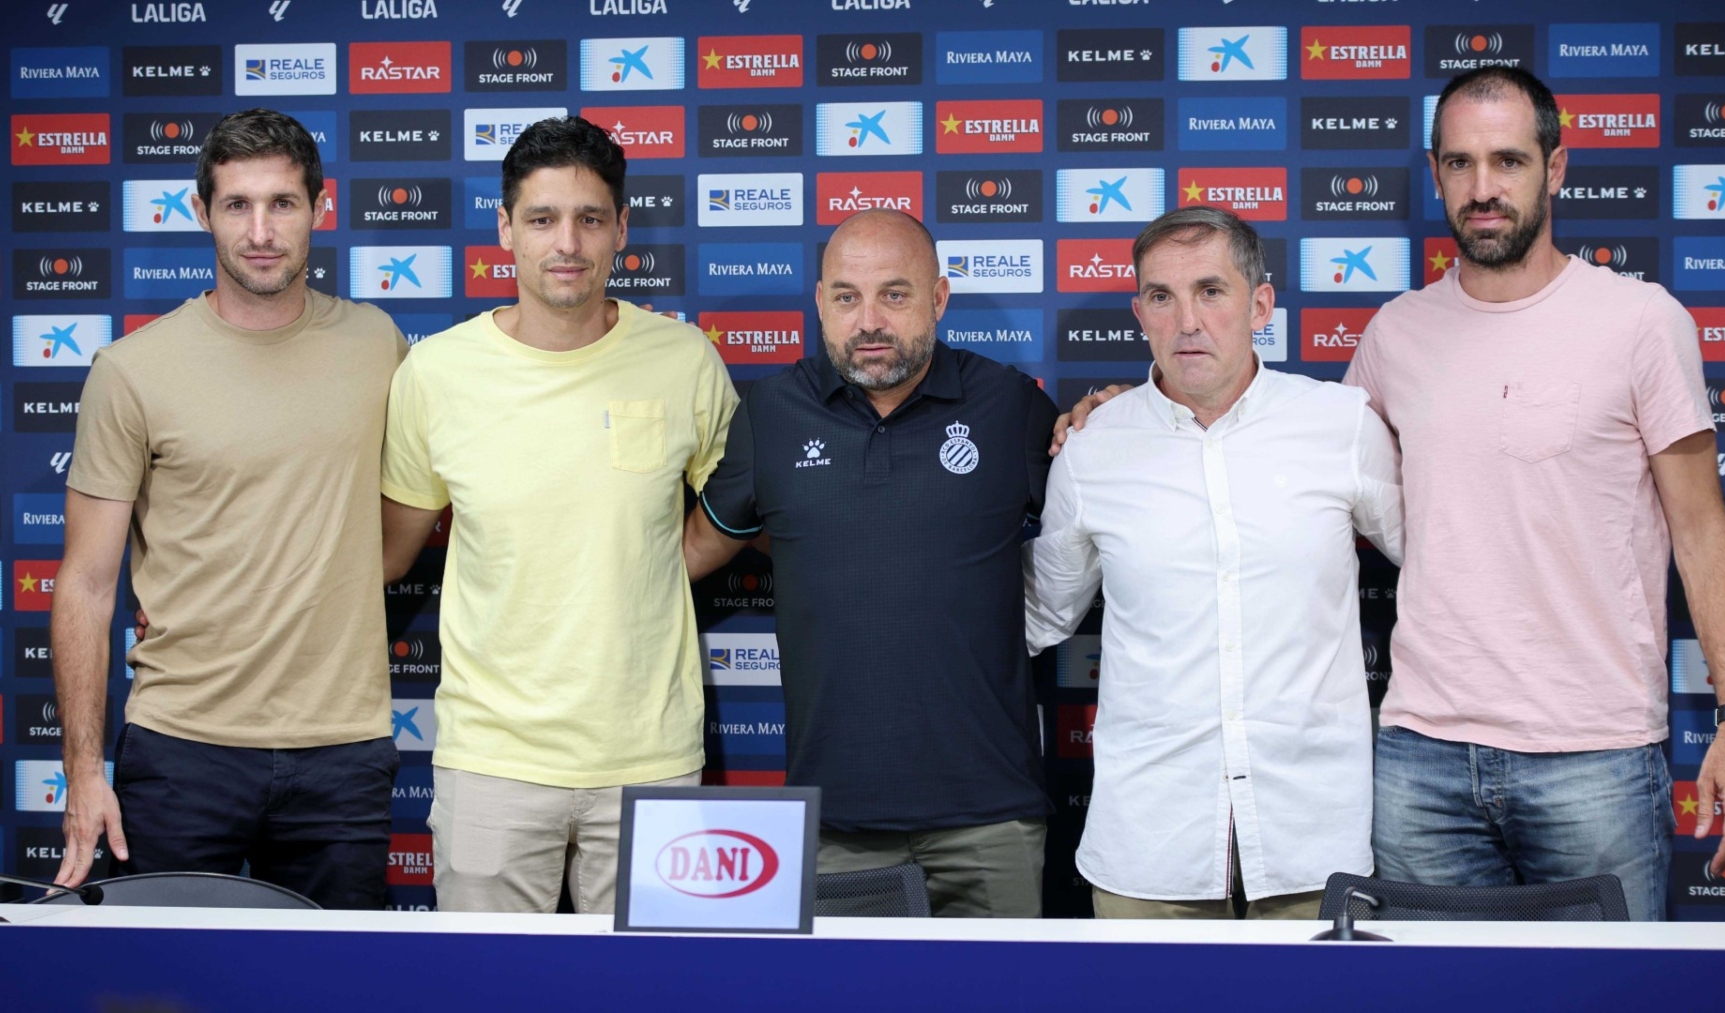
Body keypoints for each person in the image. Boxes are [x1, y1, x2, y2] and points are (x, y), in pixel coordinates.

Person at [1057, 68, 1725, 921]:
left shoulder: (1643, 322)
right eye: (1460, 164)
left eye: (1507, 160)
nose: (1484, 187)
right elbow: (1279, 461)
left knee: (1606, 995)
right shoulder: (1395, 337)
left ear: (1558, 166)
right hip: (1421, 758)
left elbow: (1701, 525)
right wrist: (1121, 414)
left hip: (1596, 753)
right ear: (1436, 175)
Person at [378, 116, 737, 914]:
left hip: (650, 757)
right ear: (505, 228)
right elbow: (386, 553)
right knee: (487, 996)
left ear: (621, 230)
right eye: (542, 219)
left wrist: (644, 568)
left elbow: (740, 511)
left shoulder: (684, 360)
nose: (566, 242)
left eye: (589, 218)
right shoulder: (436, 372)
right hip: (491, 763)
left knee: (657, 995)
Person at [53, 109, 407, 908]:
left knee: (336, 993)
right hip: (182, 749)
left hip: (342, 751)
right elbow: (84, 583)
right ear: (200, 212)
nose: (260, 230)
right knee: (155, 991)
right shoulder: (131, 369)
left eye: (282, 203)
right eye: (237, 204)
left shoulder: (378, 344)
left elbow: (402, 520)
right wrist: (81, 770)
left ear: (322, 206)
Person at [1023, 207, 1402, 919]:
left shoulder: (1342, 425)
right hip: (1148, 852)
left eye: (1211, 291)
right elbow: (1038, 614)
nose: (1187, 320)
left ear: (1260, 303)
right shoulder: (1094, 448)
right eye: (1162, 297)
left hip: (1313, 845)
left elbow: (1442, 563)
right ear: (1139, 312)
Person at [683, 209, 1056, 917]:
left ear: (939, 299)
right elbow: (692, 551)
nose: (870, 320)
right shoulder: (771, 412)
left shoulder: (1012, 408)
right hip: (835, 822)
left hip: (992, 819)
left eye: (895, 293)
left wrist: (1112, 411)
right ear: (821, 302)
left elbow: (1103, 514)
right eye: (848, 297)